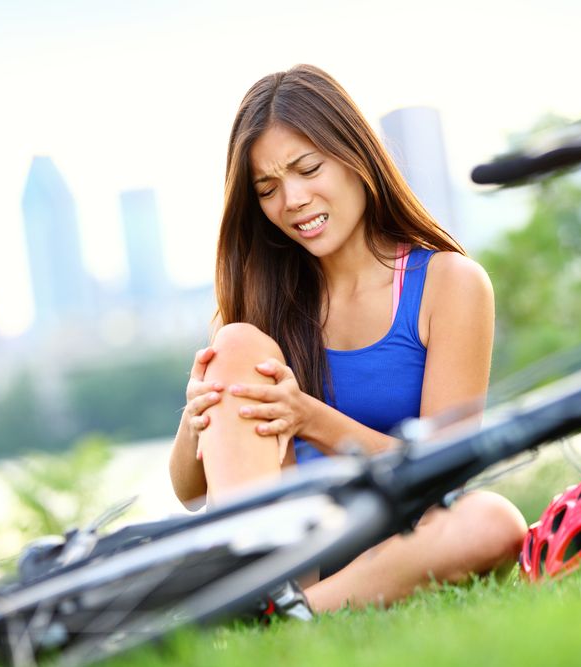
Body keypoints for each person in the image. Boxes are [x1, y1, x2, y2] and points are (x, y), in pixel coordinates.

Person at [168, 64, 526, 612]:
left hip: (399, 542)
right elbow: (191, 491)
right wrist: (195, 420)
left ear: (356, 155)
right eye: (267, 189)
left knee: (491, 522)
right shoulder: (260, 305)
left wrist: (309, 418)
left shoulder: (448, 283)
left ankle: (293, 614)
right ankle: (271, 596)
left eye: (308, 169)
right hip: (288, 550)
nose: (292, 200)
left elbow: (445, 472)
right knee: (236, 344)